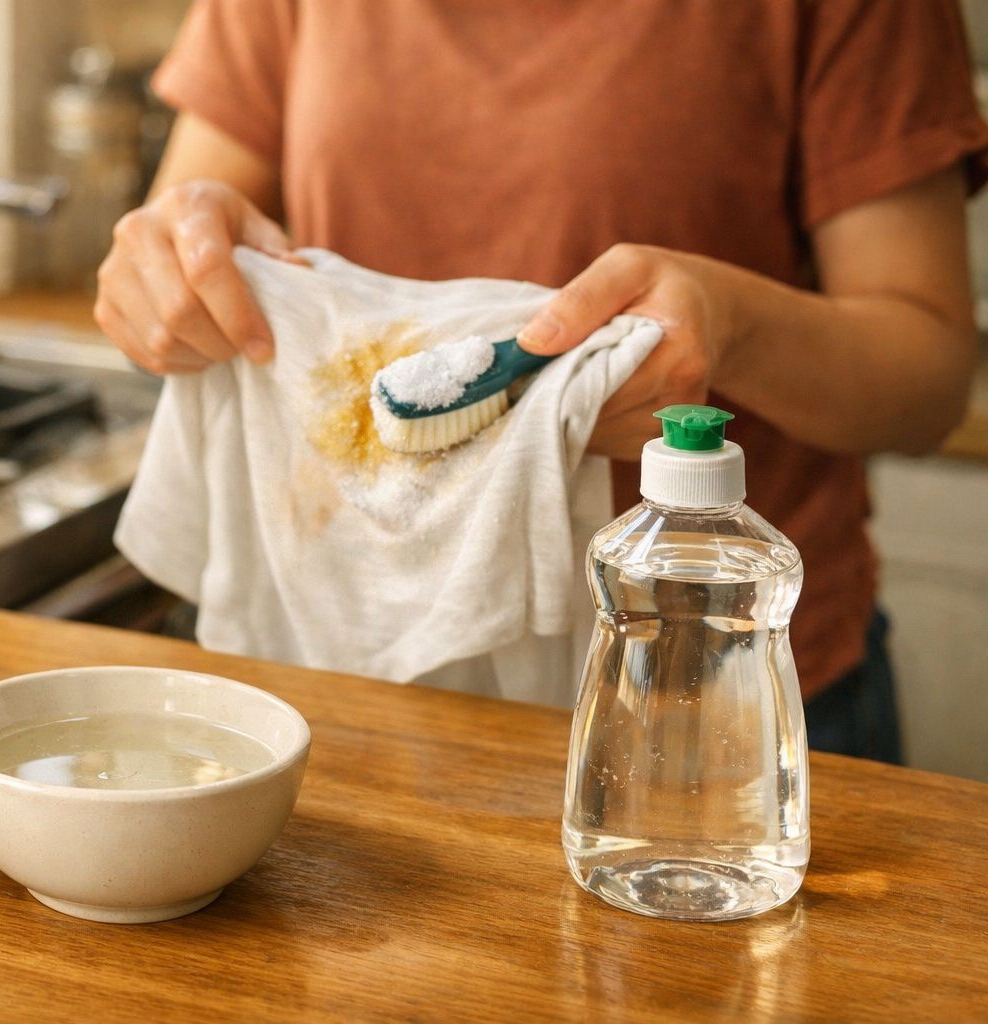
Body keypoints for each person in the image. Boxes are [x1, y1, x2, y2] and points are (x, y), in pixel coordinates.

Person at [94, 0, 988, 763]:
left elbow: (928, 374)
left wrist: (731, 323)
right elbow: (180, 245)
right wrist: (167, 268)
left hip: (716, 698)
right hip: (359, 675)